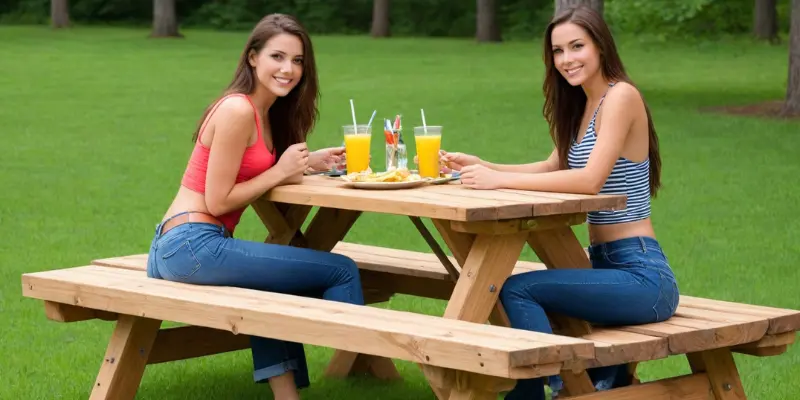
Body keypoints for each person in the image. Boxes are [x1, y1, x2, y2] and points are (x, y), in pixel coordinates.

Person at [439, 6, 680, 400]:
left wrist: (498, 182)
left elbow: (589, 181)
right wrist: (485, 165)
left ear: (600, 46)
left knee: (516, 290)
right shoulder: (582, 105)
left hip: (643, 275)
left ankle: (538, 391)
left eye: (576, 46)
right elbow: (552, 166)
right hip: (603, 264)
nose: (567, 59)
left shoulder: (621, 96)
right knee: (504, 288)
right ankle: (570, 385)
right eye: (558, 51)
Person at [145, 14, 364, 400]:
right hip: (192, 245)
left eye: (297, 61)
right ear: (252, 58)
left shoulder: (263, 112)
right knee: (342, 271)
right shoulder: (237, 110)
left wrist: (307, 163)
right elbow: (218, 200)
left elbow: (253, 171)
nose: (288, 69)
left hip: (179, 247)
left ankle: (287, 395)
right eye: (277, 57)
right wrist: (280, 171)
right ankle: (366, 354)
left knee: (267, 289)